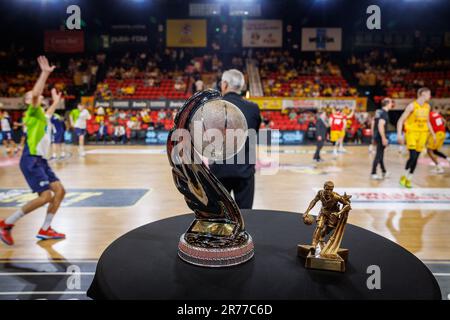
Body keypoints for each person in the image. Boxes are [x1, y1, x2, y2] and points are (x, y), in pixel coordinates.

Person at [0, 56, 66, 246]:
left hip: (42, 161)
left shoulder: (43, 116)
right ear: (29, 102)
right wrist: (44, 74)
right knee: (46, 196)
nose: (37, 96)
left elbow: (50, 112)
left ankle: (46, 228)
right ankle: (6, 224)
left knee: (60, 191)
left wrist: (55, 100)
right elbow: (36, 95)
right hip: (31, 159)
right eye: (32, 96)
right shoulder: (32, 112)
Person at [209, 69, 261, 209]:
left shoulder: (212, 107)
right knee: (245, 216)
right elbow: (253, 133)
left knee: (219, 217)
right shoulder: (253, 108)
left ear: (224, 84)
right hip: (244, 170)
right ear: (242, 86)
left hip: (218, 170)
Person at [397, 87, 436, 188]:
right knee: (413, 156)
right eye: (429, 94)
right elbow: (400, 120)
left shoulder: (427, 106)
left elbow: (427, 121)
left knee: (416, 158)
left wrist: (433, 133)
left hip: (423, 134)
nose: (430, 96)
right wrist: (399, 134)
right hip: (412, 133)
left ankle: (409, 179)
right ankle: (403, 176)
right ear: (423, 94)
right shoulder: (412, 106)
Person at [371, 98, 394, 180]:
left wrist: (373, 133)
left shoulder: (378, 111)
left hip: (377, 135)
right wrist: (384, 138)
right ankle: (373, 172)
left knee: (380, 154)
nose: (392, 104)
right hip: (380, 136)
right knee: (379, 155)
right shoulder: (384, 113)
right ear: (387, 103)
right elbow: (380, 125)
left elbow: (373, 122)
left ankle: (384, 171)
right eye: (391, 102)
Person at [426, 106, 449, 173]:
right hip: (442, 133)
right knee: (434, 150)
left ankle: (439, 168)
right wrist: (442, 128)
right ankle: (448, 159)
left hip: (436, 134)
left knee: (429, 151)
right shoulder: (436, 114)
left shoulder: (428, 115)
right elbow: (444, 121)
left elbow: (428, 126)